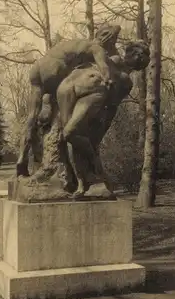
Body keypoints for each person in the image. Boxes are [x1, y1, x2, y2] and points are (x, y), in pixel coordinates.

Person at [16, 23, 122, 176]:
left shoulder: (79, 43)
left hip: (39, 66)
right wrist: (109, 80)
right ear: (108, 40)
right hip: (56, 69)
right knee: (66, 98)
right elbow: (104, 67)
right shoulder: (96, 48)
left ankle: (21, 159)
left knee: (31, 117)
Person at [56, 40, 150, 197]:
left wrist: (103, 126)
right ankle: (80, 183)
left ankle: (96, 174)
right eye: (135, 52)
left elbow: (111, 106)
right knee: (66, 138)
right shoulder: (111, 55)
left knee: (70, 133)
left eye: (140, 56)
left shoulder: (126, 81)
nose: (136, 56)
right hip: (69, 86)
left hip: (93, 95)